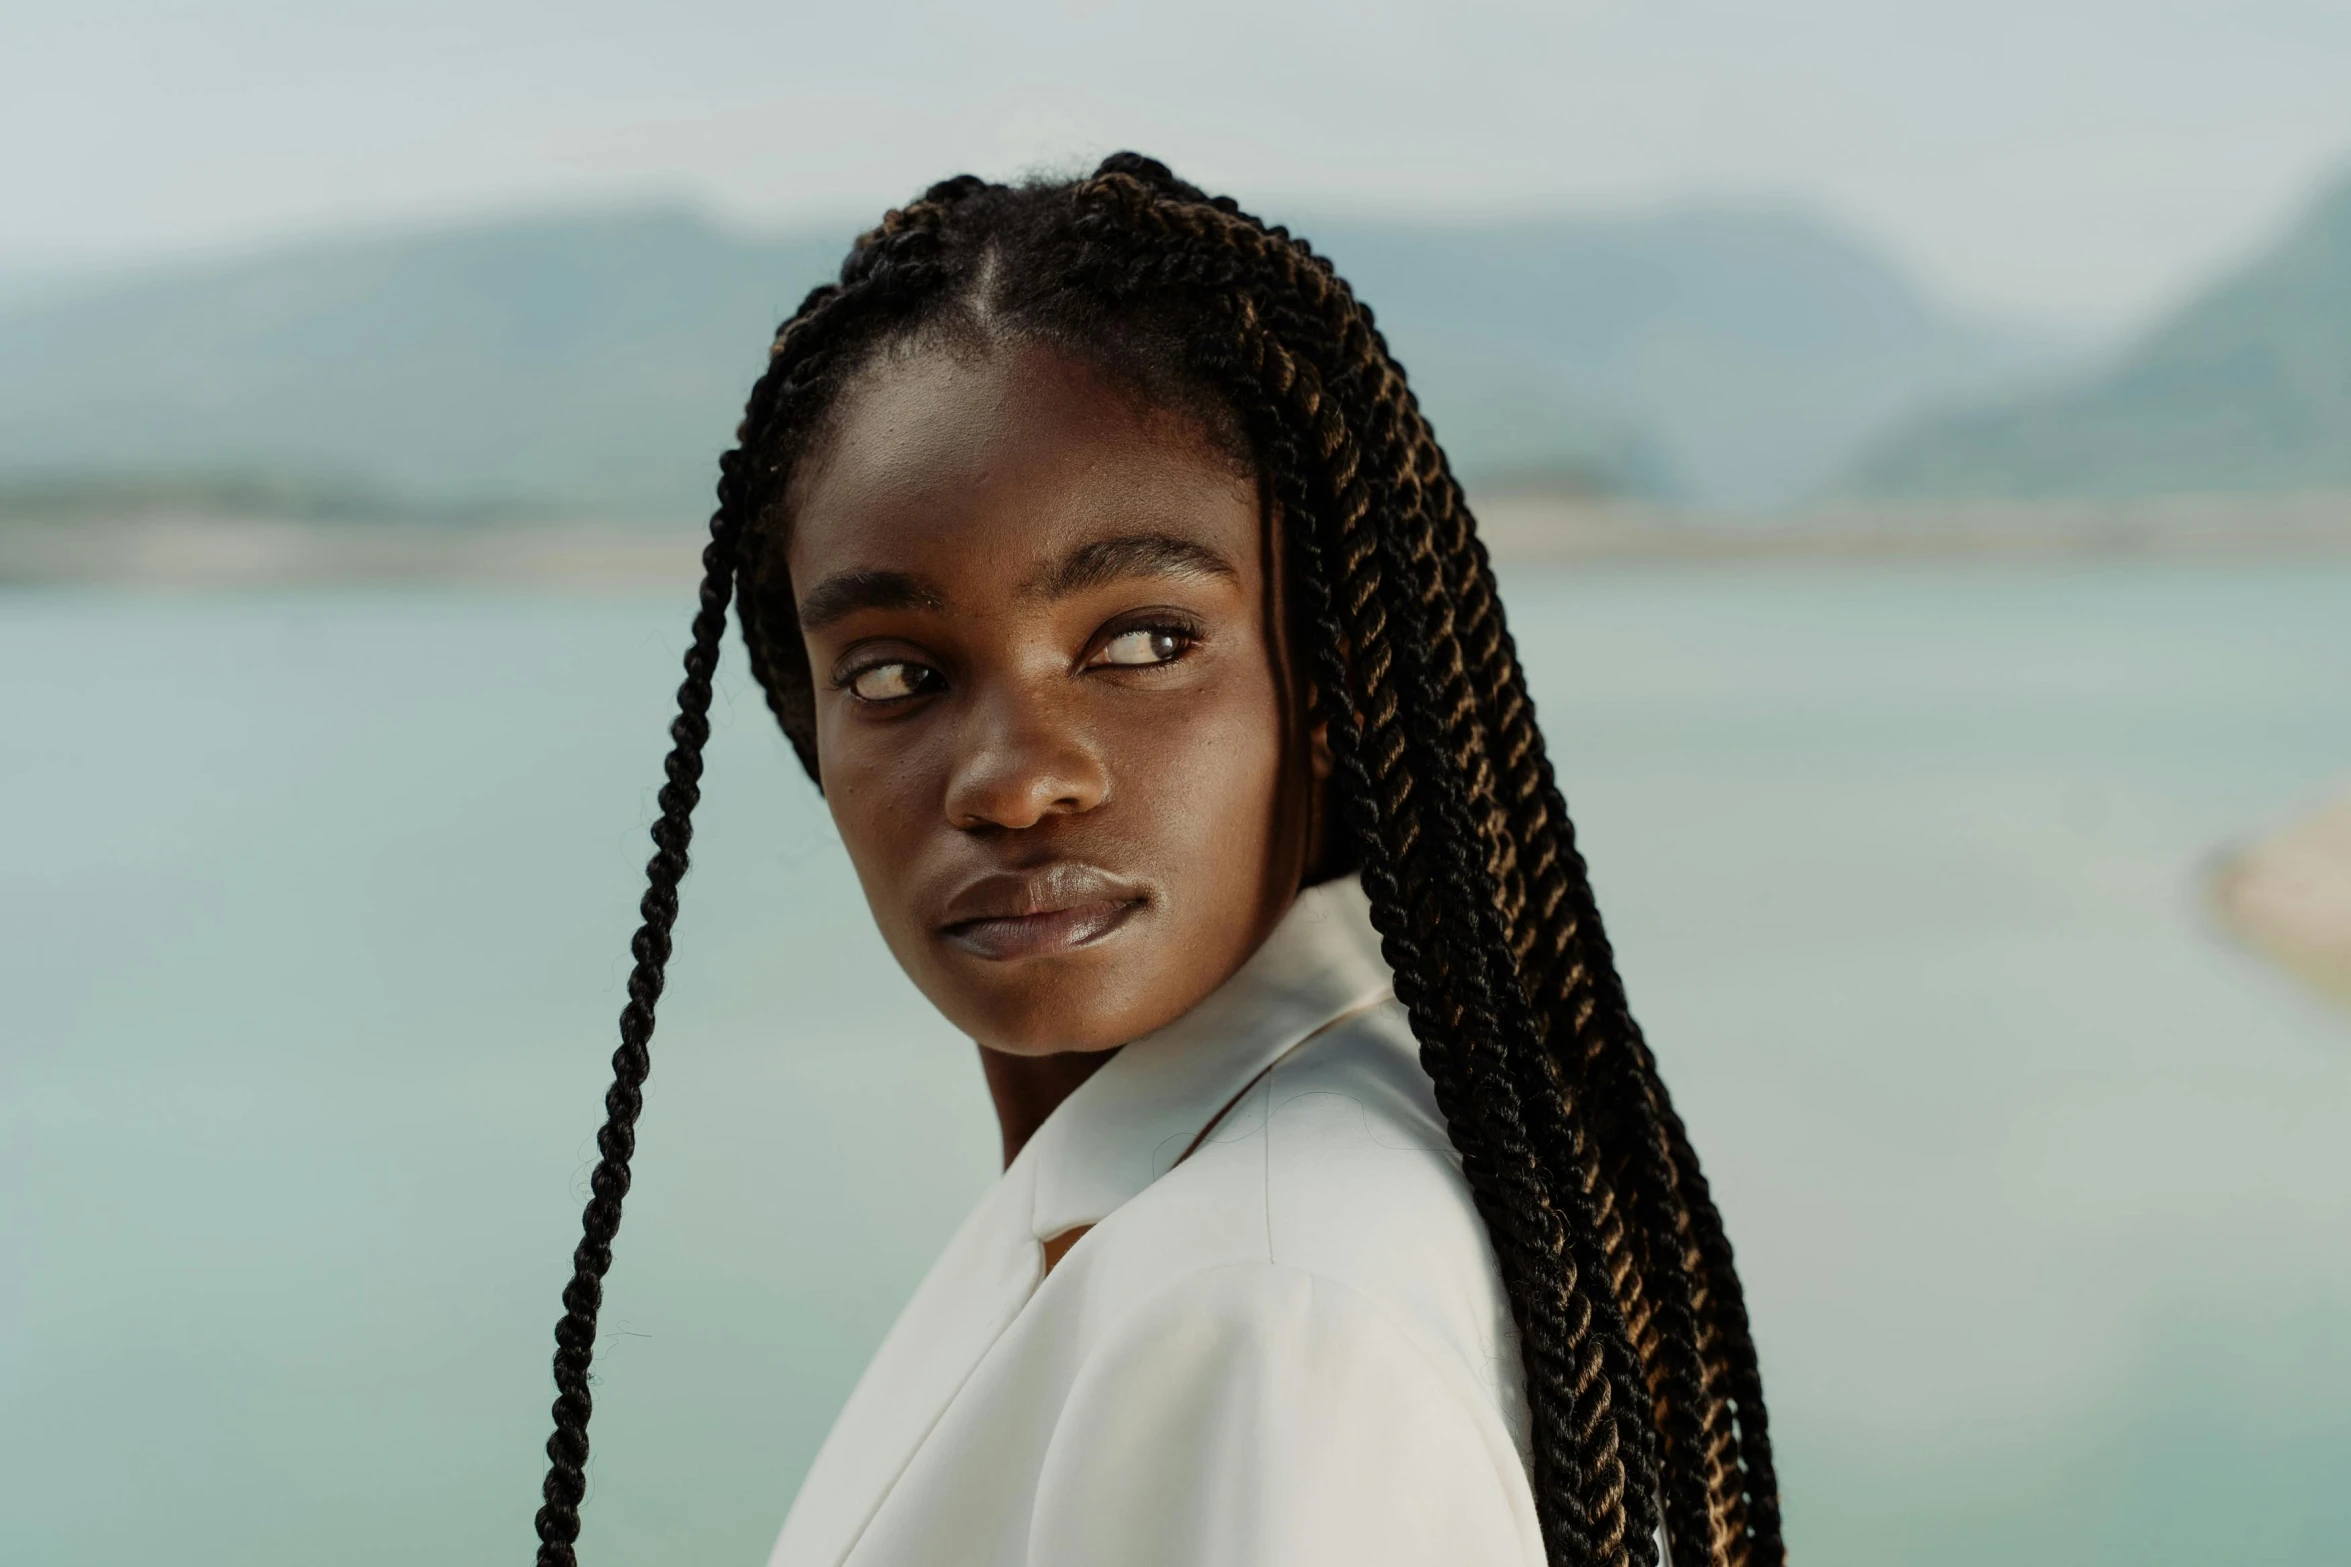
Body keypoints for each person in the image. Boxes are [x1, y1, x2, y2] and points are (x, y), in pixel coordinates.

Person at [528, 155, 1780, 1567]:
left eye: (1140, 642)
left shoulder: (1264, 1307)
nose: (1011, 778)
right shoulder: (1225, 1182)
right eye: (893, 673)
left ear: (1330, 681)